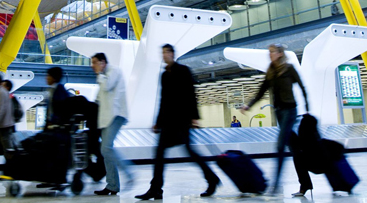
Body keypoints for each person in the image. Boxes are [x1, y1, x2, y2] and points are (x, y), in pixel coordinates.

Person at [135, 44, 220, 200]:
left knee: (189, 152)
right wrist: (158, 122)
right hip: (168, 122)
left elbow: (191, 94)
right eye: (163, 53)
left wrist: (194, 117)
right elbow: (164, 100)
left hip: (182, 120)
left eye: (167, 52)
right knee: (160, 153)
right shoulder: (164, 75)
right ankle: (156, 189)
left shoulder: (183, 71)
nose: (165, 55)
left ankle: (211, 178)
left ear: (173, 54)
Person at [241, 44, 309, 194]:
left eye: (272, 52)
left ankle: (276, 184)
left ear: (279, 53)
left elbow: (302, 87)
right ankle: (305, 184)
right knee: (295, 150)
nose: (269, 54)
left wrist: (308, 107)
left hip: (290, 111)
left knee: (280, 146)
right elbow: (261, 91)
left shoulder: (289, 68)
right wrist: (248, 105)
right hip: (279, 112)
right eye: (269, 52)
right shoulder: (270, 71)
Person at [90, 53, 131, 195]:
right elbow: (99, 99)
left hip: (116, 115)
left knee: (106, 148)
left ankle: (129, 173)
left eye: (95, 62)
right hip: (107, 117)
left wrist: (100, 74)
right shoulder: (103, 76)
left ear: (103, 62)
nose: (92, 66)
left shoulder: (114, 71)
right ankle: (112, 185)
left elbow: (107, 86)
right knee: (105, 150)